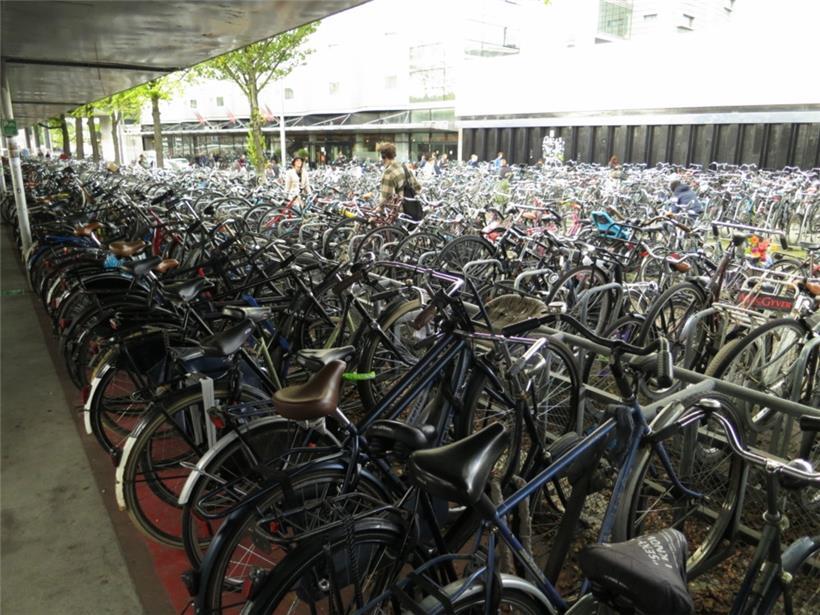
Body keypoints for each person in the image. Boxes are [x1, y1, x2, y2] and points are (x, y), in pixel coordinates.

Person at [376, 142, 422, 218]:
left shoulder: (389, 173)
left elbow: (385, 199)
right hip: (411, 210)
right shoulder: (404, 167)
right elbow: (417, 187)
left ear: (383, 156)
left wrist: (377, 210)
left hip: (399, 213)